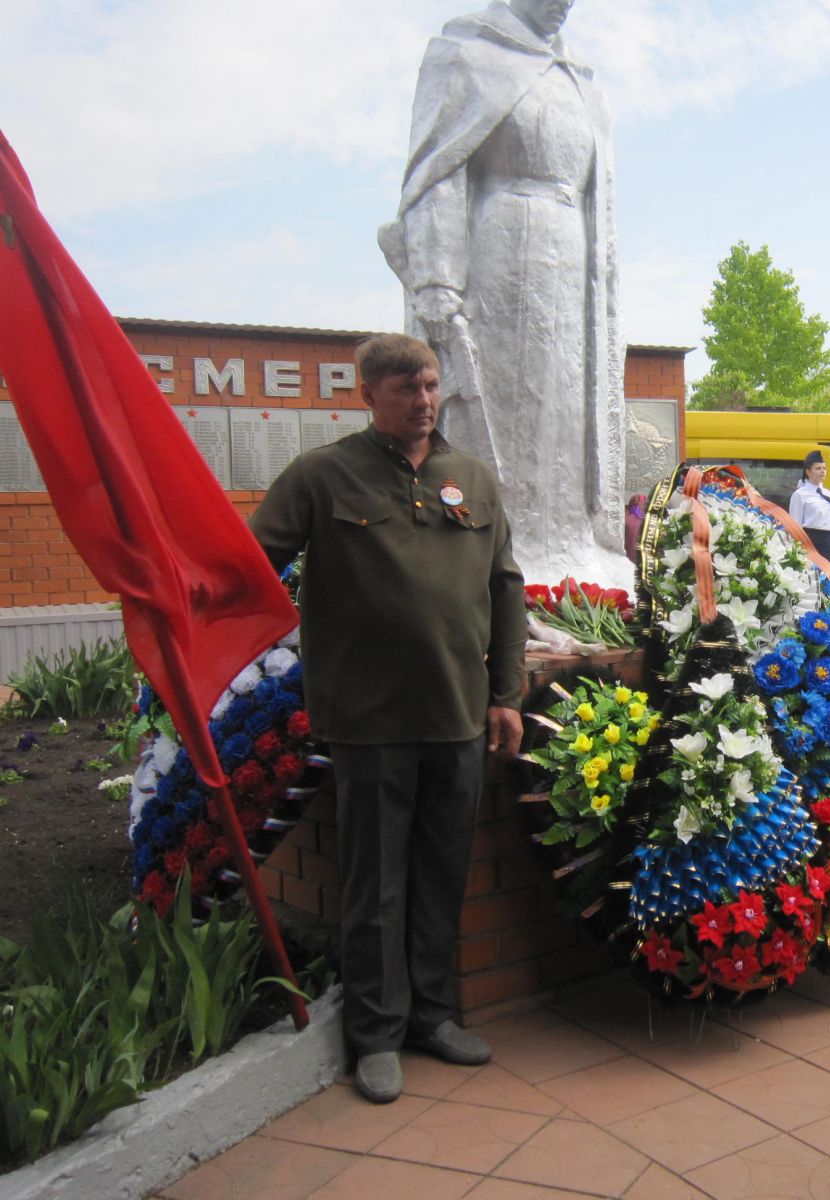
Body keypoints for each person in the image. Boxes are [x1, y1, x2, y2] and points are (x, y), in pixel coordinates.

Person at [251, 334, 526, 1104]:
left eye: (431, 385)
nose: (424, 400)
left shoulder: (471, 479)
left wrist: (505, 694)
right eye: (406, 388)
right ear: (367, 394)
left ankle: (431, 1017)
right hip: (369, 721)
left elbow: (507, 588)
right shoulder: (321, 475)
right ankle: (375, 1034)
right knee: (375, 888)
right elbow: (247, 563)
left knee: (440, 877)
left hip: (458, 716)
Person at [379, 0, 626, 585]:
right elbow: (437, 174)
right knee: (504, 407)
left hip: (576, 264)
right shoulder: (467, 53)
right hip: (503, 253)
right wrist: (438, 279)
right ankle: (491, 551)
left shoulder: (580, 79)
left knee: (565, 412)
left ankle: (569, 546)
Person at [788, 450, 830, 567]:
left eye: (824, 468)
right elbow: (795, 527)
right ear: (808, 471)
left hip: (829, 541)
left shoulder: (829, 494)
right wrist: (797, 552)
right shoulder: (800, 495)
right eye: (818, 468)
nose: (822, 471)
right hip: (811, 540)